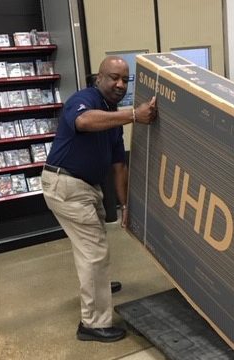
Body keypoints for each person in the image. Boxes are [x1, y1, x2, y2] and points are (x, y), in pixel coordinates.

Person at [42, 55, 157, 343]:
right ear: (99, 79)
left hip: (86, 187)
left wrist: (125, 205)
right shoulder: (85, 99)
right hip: (66, 184)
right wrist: (133, 114)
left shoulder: (113, 117)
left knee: (92, 247)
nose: (120, 84)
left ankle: (98, 286)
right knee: (94, 252)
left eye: (124, 79)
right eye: (113, 77)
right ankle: (92, 323)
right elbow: (82, 121)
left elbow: (119, 165)